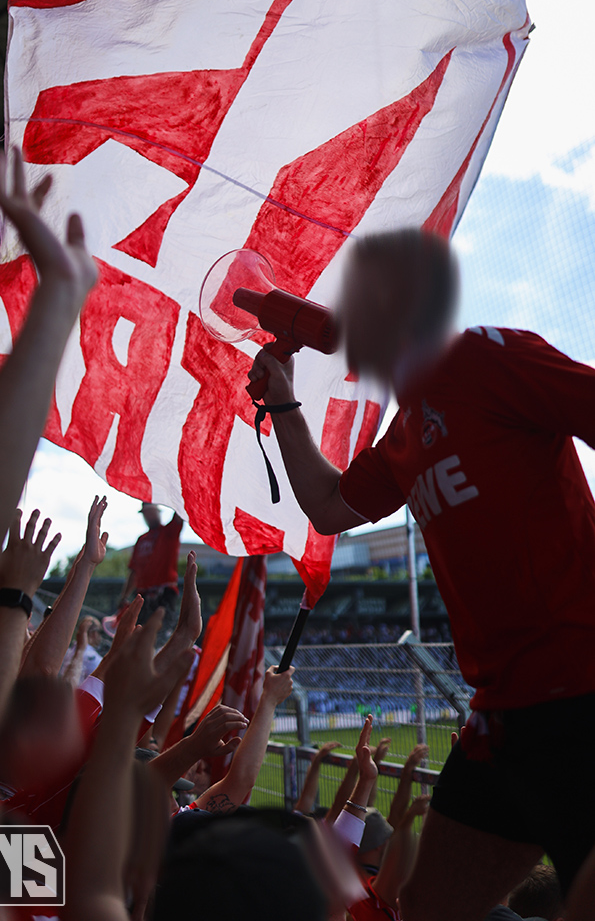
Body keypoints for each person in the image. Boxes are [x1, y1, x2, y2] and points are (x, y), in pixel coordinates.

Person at [248, 227, 595, 917]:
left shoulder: (485, 357)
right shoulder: (404, 433)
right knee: (423, 908)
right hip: (501, 714)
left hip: (578, 693)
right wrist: (283, 402)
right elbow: (324, 507)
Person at [106, 504, 183, 641]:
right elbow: (134, 571)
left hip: (164, 593)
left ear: (157, 511)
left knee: (161, 635)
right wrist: (124, 596)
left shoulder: (169, 532)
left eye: (150, 511)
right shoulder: (141, 540)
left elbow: (180, 514)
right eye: (145, 513)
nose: (148, 516)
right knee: (139, 635)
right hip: (142, 595)